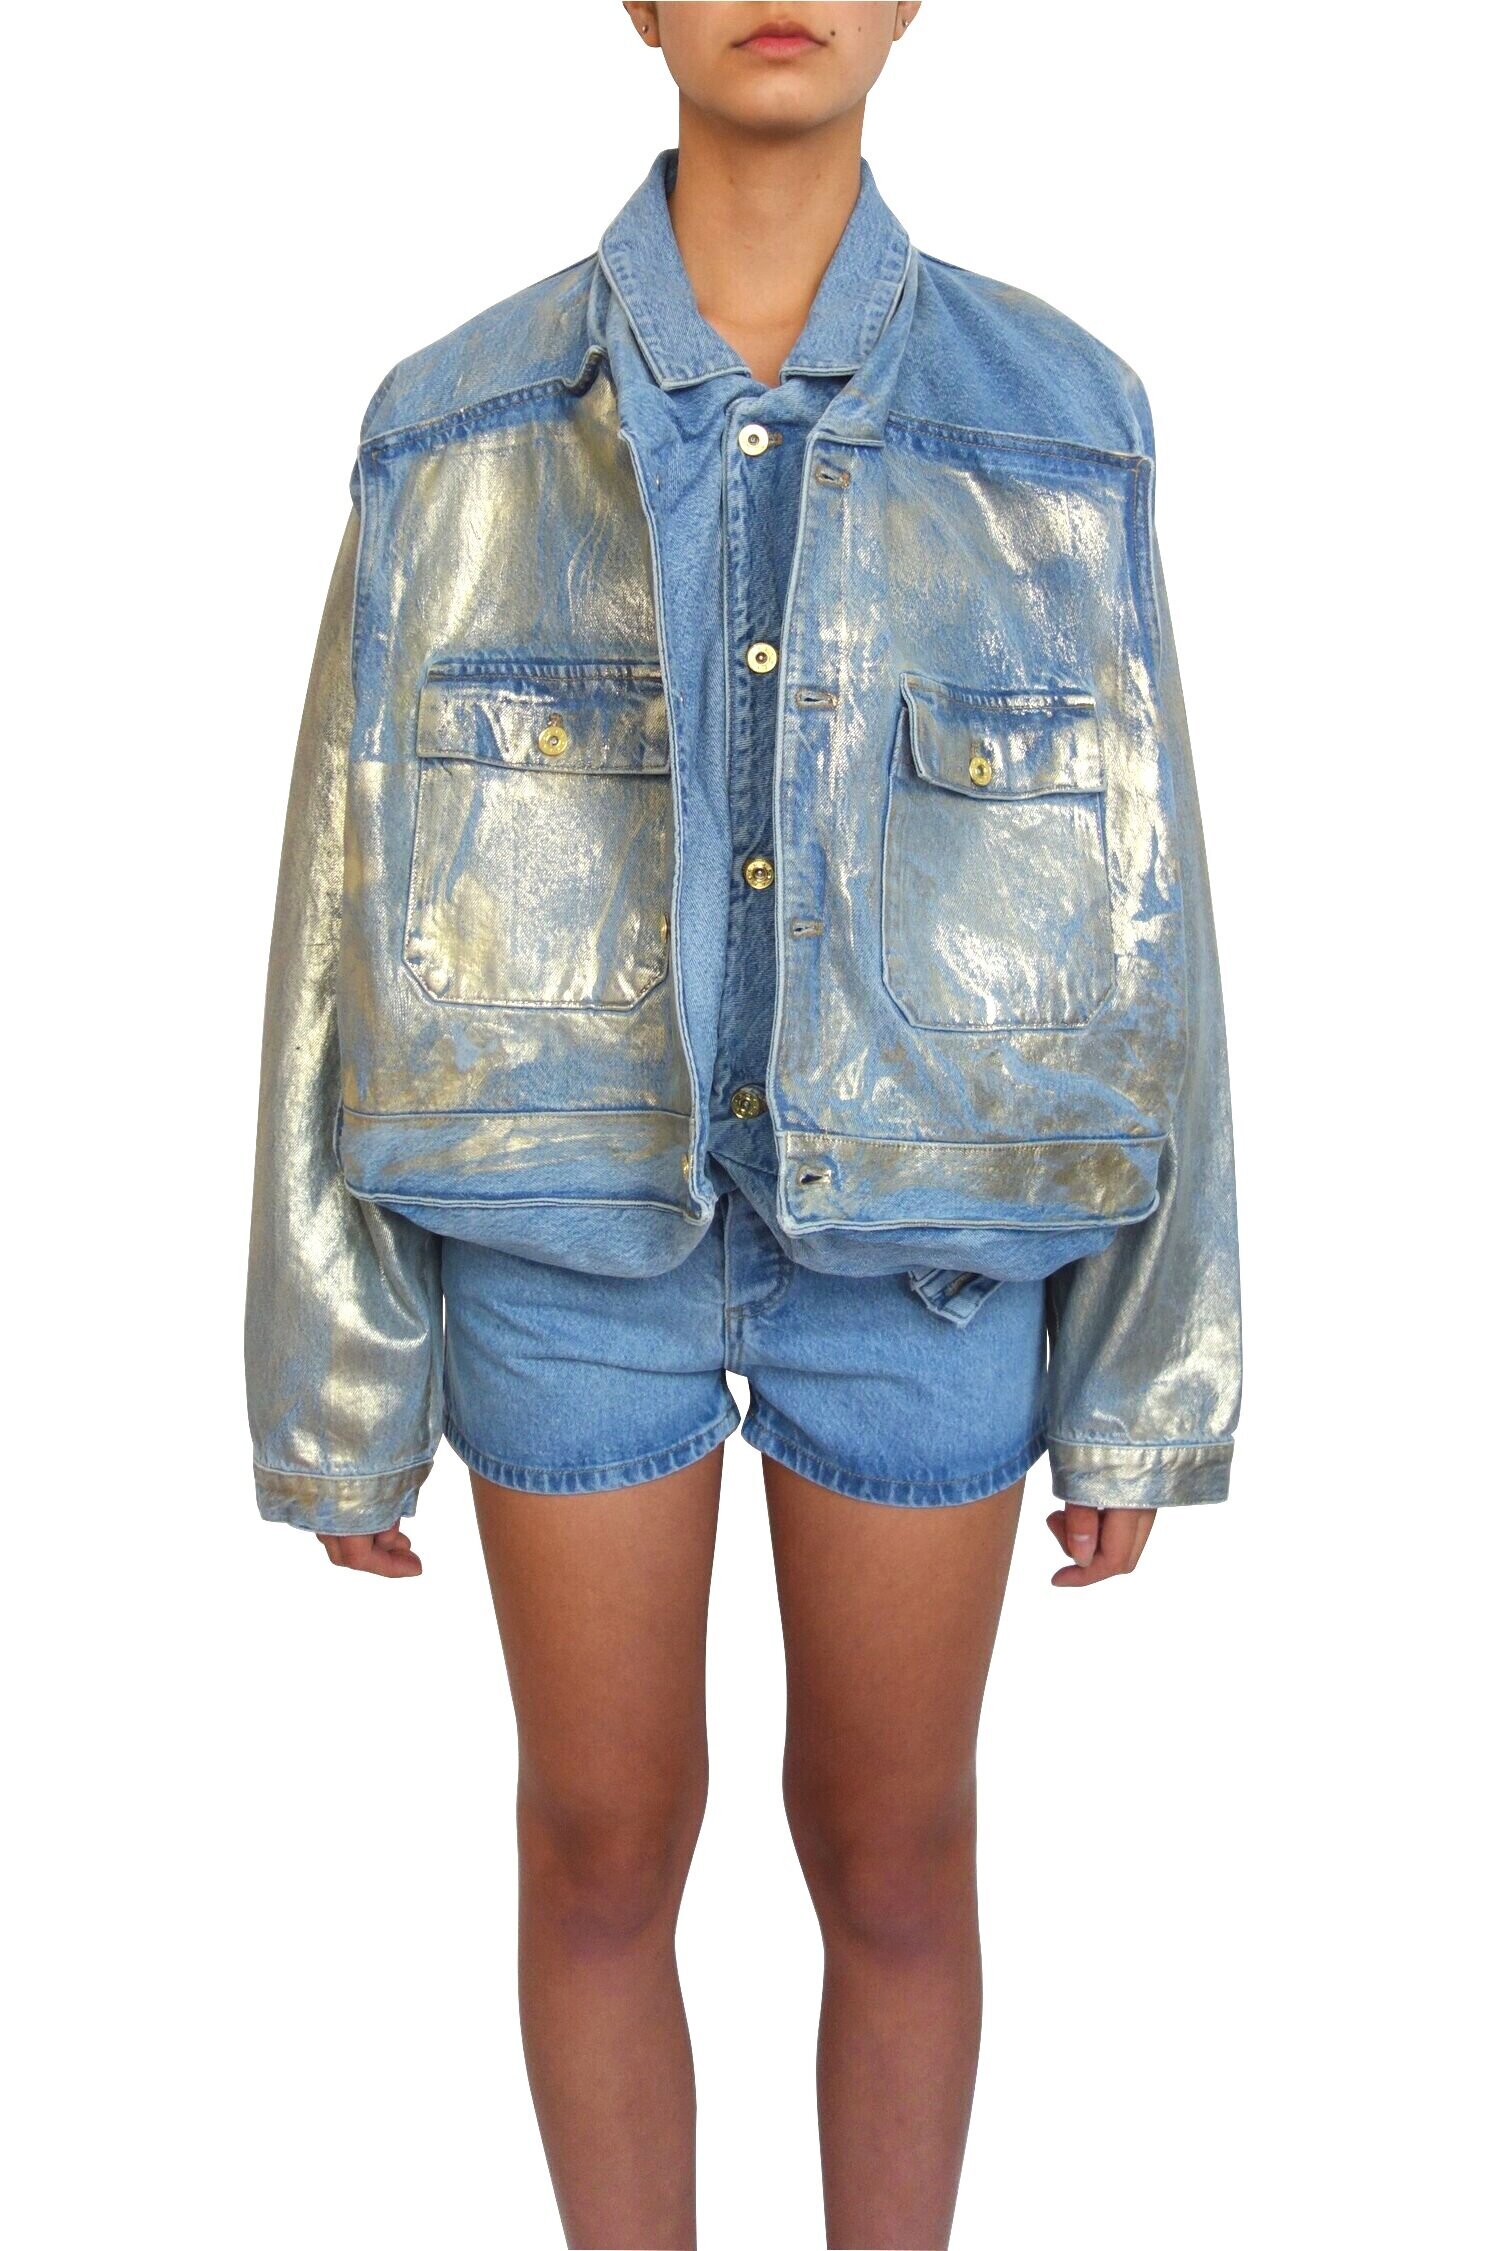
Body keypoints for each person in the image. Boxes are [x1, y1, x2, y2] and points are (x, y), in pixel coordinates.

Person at [244, 5, 1242, 2243]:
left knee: (896, 1857)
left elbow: (1150, 918)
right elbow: (343, 899)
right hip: (559, 1241)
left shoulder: (1061, 424)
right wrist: (336, 1385)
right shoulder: (456, 424)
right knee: (600, 1848)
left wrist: (1146, 1376)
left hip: (933, 1254)